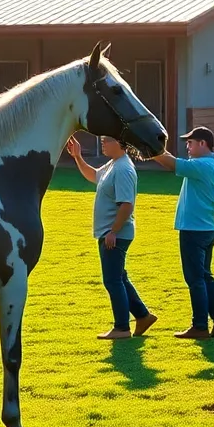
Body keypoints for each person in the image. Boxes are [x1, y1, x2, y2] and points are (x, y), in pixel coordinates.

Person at [66, 135, 157, 339]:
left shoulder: (124, 169)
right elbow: (93, 176)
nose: (102, 143)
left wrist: (113, 231)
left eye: (107, 140)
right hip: (111, 233)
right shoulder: (114, 164)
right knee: (120, 278)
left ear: (121, 144)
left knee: (112, 280)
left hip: (115, 234)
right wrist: (78, 157)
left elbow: (126, 205)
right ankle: (143, 316)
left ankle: (122, 328)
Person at [150, 126, 214, 339]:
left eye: (191, 143)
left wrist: (148, 147)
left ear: (203, 143)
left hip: (194, 229)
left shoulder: (200, 166)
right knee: (205, 276)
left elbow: (170, 163)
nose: (188, 146)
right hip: (208, 228)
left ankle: (200, 326)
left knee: (195, 279)